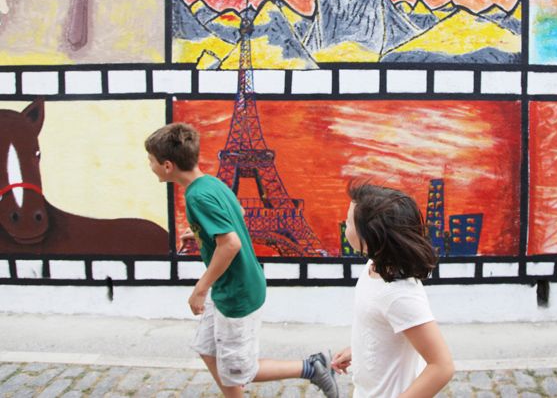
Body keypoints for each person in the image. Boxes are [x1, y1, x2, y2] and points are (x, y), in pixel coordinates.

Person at [145, 122, 339, 398]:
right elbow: (238, 215)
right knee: (207, 348)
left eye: (151, 161)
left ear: (167, 165)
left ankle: (312, 367)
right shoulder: (210, 183)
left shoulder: (197, 197)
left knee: (242, 371)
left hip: (237, 292)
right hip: (235, 285)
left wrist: (200, 288)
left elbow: (231, 243)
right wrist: (201, 234)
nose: (149, 166)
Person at [332, 180, 454, 397]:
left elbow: (442, 366)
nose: (344, 223)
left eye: (349, 222)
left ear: (370, 238)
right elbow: (380, 325)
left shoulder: (399, 295)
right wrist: (360, 352)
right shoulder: (373, 266)